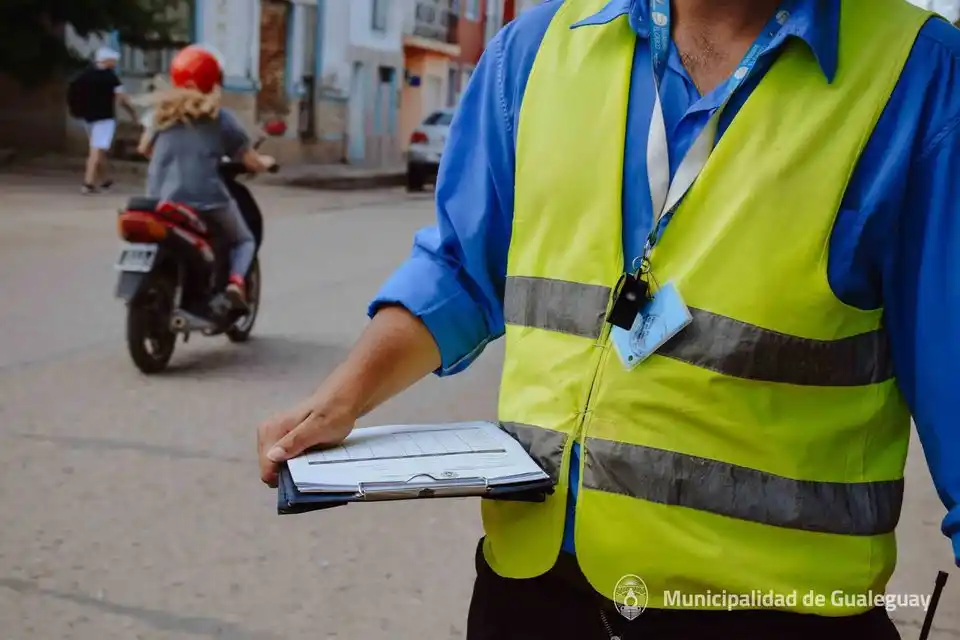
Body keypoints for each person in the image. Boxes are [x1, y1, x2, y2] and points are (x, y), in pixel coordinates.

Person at [257, 0, 960, 638]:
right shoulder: (537, 48)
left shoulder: (917, 73)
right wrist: (343, 394)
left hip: (775, 615)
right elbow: (461, 267)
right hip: (531, 600)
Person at [137, 45, 274, 308]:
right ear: (214, 81)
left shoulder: (160, 114)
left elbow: (145, 149)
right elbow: (250, 161)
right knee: (244, 239)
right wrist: (266, 162)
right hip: (206, 201)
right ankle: (235, 284)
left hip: (159, 201)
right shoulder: (220, 118)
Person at [68, 46, 137, 194]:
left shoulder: (85, 75)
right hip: (105, 119)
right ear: (107, 60)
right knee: (95, 150)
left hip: (87, 118)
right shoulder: (111, 77)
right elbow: (121, 100)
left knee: (98, 148)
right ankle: (88, 183)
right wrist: (133, 114)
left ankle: (106, 181)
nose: (115, 62)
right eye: (113, 60)